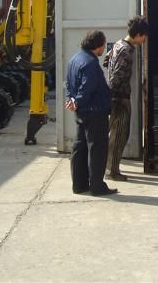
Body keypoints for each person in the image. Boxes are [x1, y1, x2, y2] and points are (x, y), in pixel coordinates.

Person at [65, 30, 117, 196]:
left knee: (80, 146)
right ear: (98, 45)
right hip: (95, 111)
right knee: (97, 148)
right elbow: (88, 87)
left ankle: (79, 185)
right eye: (104, 44)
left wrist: (72, 100)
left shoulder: (74, 59)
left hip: (81, 111)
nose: (104, 48)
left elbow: (69, 84)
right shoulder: (90, 63)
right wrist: (78, 100)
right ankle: (97, 186)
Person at [104, 16, 149, 181]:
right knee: (119, 136)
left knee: (112, 134)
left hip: (114, 97)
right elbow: (117, 76)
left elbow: (106, 61)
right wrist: (114, 95)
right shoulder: (127, 50)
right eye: (144, 36)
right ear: (138, 34)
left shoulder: (117, 44)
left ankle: (107, 167)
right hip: (119, 99)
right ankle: (112, 171)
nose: (144, 39)